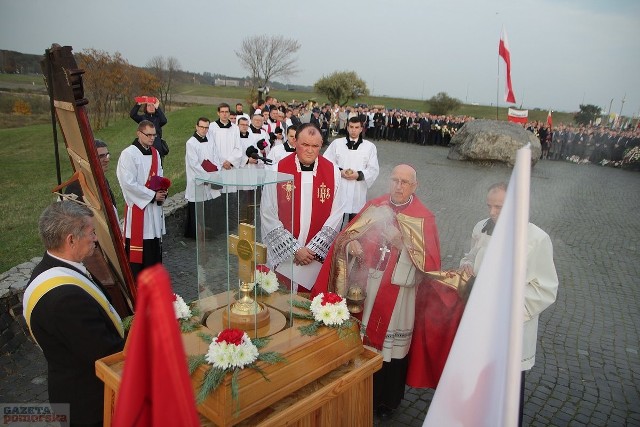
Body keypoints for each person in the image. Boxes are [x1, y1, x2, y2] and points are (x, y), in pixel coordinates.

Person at [312, 164, 441, 419]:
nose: (399, 186)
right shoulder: (375, 206)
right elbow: (345, 237)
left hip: (399, 292)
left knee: (391, 349)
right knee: (363, 340)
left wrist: (403, 246)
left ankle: (386, 400)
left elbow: (431, 265)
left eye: (405, 182)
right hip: (367, 284)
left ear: (415, 186)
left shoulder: (423, 217)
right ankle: (357, 388)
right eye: (395, 180)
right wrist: (352, 246)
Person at [458, 182, 559, 426]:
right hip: (479, 320)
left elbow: (545, 288)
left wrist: (507, 310)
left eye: (499, 207)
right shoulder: (482, 227)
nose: (492, 212)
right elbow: (470, 256)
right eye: (490, 206)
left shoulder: (536, 239)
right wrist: (466, 266)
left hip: (510, 328)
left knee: (507, 394)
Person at [23, 201, 125, 426]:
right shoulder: (66, 300)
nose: (96, 239)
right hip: (91, 401)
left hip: (71, 382)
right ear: (71, 239)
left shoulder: (49, 268)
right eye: (91, 233)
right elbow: (107, 353)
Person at [260, 123, 345, 292]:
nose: (310, 150)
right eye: (305, 144)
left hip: (315, 258)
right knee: (281, 300)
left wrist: (312, 250)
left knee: (312, 303)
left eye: (315, 146)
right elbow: (267, 213)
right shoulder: (278, 170)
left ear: (321, 146)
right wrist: (295, 249)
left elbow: (337, 213)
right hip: (286, 256)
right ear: (295, 143)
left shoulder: (333, 172)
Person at [116, 120, 166, 280]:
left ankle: (155, 281)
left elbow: (159, 176)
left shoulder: (155, 153)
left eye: (154, 135)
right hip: (139, 209)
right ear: (139, 133)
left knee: (153, 248)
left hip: (153, 209)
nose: (152, 138)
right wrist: (151, 195)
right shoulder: (128, 154)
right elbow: (128, 183)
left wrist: (162, 191)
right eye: (149, 135)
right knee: (140, 253)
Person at [323, 116, 380, 224]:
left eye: (356, 127)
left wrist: (358, 175)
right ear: (347, 127)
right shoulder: (337, 144)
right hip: (340, 188)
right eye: (351, 127)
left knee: (353, 225)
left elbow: (373, 169)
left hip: (357, 190)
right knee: (335, 222)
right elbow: (327, 162)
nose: (354, 130)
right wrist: (340, 171)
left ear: (361, 129)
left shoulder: (369, 147)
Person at [184, 117, 222, 238]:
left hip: (209, 177)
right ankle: (195, 233)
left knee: (208, 205)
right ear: (196, 127)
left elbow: (216, 156)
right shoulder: (191, 143)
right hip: (197, 179)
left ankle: (208, 232)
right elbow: (193, 164)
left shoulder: (210, 140)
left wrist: (216, 169)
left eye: (206, 127)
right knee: (196, 207)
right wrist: (206, 176)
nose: (204, 130)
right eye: (202, 127)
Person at [64, 139, 117, 213]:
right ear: (88, 159)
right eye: (101, 156)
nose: (107, 160)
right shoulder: (76, 188)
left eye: (107, 155)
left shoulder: (102, 179)